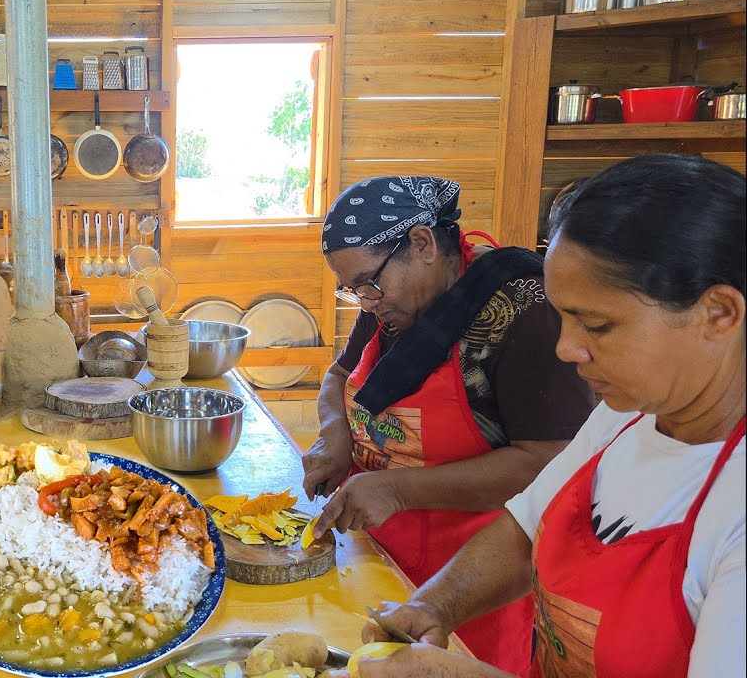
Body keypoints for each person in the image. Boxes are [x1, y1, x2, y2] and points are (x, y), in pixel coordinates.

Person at [346, 154, 745, 678]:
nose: (565, 348)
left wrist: (446, 674)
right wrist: (434, 606)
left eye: (597, 326)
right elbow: (527, 526)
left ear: (717, 313)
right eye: (562, 318)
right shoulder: (626, 415)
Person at [301, 176, 595, 674]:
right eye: (353, 291)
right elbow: (338, 375)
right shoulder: (392, 301)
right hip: (379, 557)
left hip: (476, 586)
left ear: (421, 244)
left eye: (368, 284)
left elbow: (551, 467)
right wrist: (336, 437)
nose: (366, 302)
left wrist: (397, 490)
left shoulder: (521, 315)